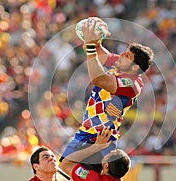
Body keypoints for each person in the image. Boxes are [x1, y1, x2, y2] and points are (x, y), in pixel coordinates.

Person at [60, 17, 154, 170]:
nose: (121, 55)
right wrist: (94, 36)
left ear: (135, 68)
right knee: (63, 170)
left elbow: (98, 79)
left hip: (101, 139)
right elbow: (98, 52)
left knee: (70, 170)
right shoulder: (122, 64)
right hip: (86, 132)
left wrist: (91, 47)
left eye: (127, 56)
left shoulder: (132, 84)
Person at [58, 127, 131, 181]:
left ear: (106, 166)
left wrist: (96, 146)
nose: (107, 153)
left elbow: (65, 163)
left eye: (108, 154)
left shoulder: (92, 178)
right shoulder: (117, 178)